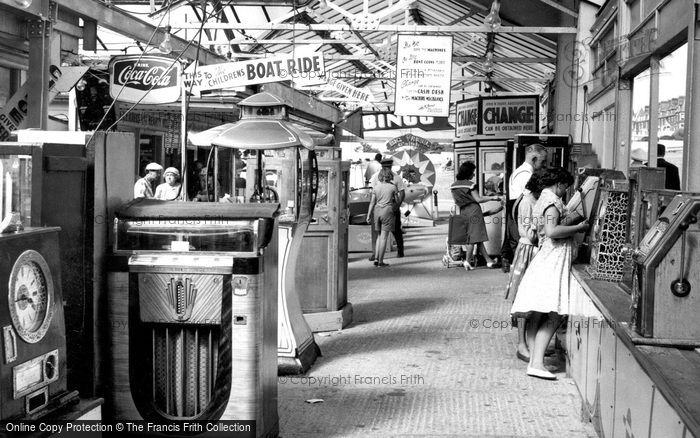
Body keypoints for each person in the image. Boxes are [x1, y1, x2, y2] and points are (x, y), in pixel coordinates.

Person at [510, 167, 589, 380]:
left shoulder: (542, 199)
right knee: (555, 313)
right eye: (565, 186)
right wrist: (578, 227)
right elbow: (553, 232)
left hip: (546, 259)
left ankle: (537, 359)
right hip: (553, 260)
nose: (565, 191)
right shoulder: (553, 202)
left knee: (541, 311)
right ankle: (536, 363)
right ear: (559, 184)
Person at [504, 169, 545, 362]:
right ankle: (522, 344)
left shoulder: (527, 199)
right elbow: (529, 233)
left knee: (533, 299)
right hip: (529, 251)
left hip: (529, 251)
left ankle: (530, 343)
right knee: (524, 298)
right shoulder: (528, 202)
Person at [501, 144, 548, 272]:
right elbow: (532, 198)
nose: (544, 165)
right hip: (522, 216)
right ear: (533, 159)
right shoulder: (526, 175)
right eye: (542, 161)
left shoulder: (519, 171)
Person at [451, 161, 503, 270]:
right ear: (468, 173)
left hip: (463, 211)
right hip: (474, 210)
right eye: (473, 172)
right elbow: (479, 199)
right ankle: (468, 261)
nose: (474, 174)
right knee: (473, 238)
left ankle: (488, 261)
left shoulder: (454, 186)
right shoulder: (470, 185)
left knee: (477, 237)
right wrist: (494, 197)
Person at [369, 157, 406, 259]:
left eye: (388, 166)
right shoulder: (376, 177)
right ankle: (375, 253)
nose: (387, 168)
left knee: (396, 230)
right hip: (380, 207)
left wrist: (396, 206)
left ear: (391, 166)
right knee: (377, 232)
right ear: (382, 166)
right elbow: (372, 193)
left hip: (392, 205)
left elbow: (402, 194)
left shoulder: (397, 178)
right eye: (385, 167)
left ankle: (400, 250)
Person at [366, 167, 398, 267]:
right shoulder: (393, 187)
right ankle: (380, 261)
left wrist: (368, 215)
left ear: (380, 176)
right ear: (390, 176)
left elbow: (372, 203)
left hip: (377, 211)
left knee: (379, 236)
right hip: (387, 211)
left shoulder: (376, 187)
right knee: (384, 238)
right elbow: (396, 201)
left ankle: (376, 258)